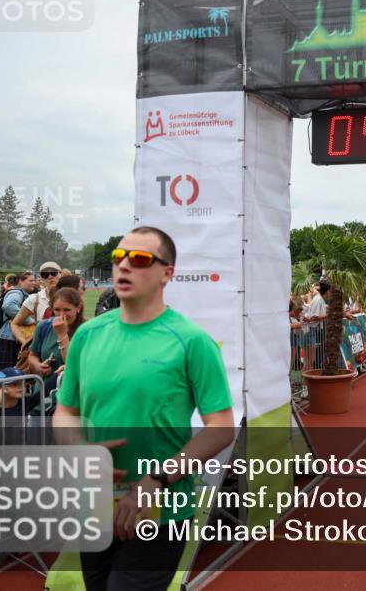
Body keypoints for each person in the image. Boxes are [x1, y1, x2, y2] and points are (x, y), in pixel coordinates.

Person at [53, 226, 235, 590]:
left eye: (139, 260)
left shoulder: (192, 341)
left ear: (167, 273)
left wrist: (158, 479)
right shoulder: (87, 336)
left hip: (160, 509)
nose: (124, 267)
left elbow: (222, 426)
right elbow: (65, 411)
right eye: (119, 258)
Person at [27, 287, 84, 397]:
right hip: (43, 394)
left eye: (67, 310)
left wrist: (62, 335)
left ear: (78, 308)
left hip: (71, 395)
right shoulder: (44, 326)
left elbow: (73, 364)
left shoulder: (86, 330)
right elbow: (32, 355)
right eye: (57, 310)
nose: (61, 315)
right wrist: (38, 366)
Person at [0, 271, 36, 371]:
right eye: (31, 280)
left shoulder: (21, 294)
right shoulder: (17, 293)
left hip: (11, 337)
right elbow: (8, 306)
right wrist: (28, 320)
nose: (34, 283)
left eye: (34, 280)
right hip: (9, 338)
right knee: (4, 375)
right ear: (21, 281)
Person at [10, 261, 62, 342]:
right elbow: (14, 324)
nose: (50, 276)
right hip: (42, 349)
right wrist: (24, 343)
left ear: (60, 274)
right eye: (45, 274)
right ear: (41, 278)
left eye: (53, 273)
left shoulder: (71, 296)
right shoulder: (34, 299)